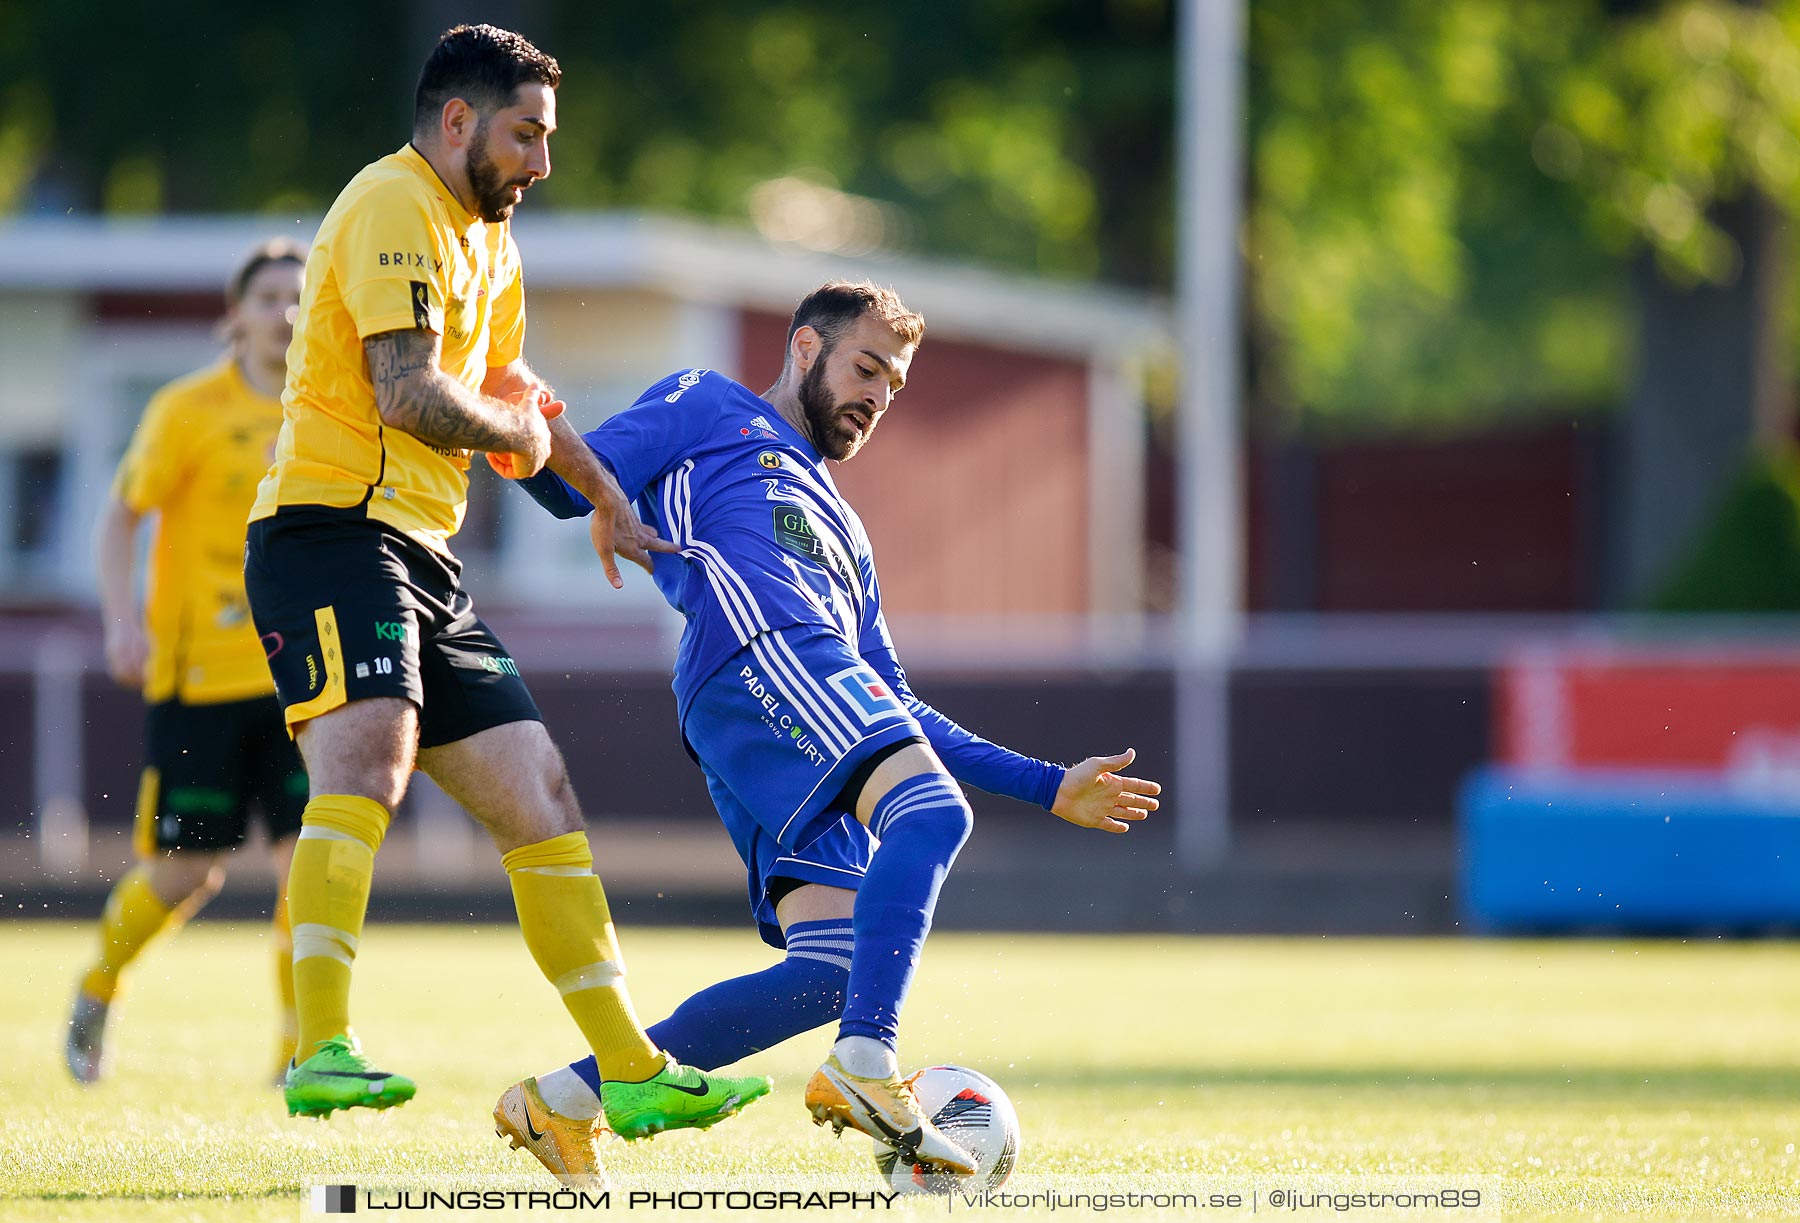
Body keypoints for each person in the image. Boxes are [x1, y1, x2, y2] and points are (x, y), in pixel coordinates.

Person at [500, 281, 1162, 1181]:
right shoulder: (708, 402)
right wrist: (507, 397)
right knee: (930, 814)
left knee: (833, 969)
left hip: (791, 699)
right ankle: (865, 1065)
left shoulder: (848, 535)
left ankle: (561, 1100)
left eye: (894, 386)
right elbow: (561, 485)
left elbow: (896, 705)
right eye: (866, 368)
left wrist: (1048, 784)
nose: (878, 397)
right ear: (805, 348)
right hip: (758, 659)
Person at [242, 23, 770, 1142]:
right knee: (369, 755)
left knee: (540, 794)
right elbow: (410, 394)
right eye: (526, 135)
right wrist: (526, 442)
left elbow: (516, 390)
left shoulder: (492, 243)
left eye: (547, 138)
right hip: (330, 530)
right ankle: (318, 1047)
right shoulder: (395, 204)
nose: (541, 161)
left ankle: (629, 1071)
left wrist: (602, 495)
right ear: (455, 122)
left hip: (421, 552)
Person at [66, 241, 310, 1087]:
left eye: (299, 297)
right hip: (197, 677)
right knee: (184, 874)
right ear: (235, 313)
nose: (284, 312)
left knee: (312, 862)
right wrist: (121, 623)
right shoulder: (186, 409)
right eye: (268, 295)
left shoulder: (331, 410)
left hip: (303, 681)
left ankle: (298, 1050)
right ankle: (99, 986)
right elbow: (119, 519)